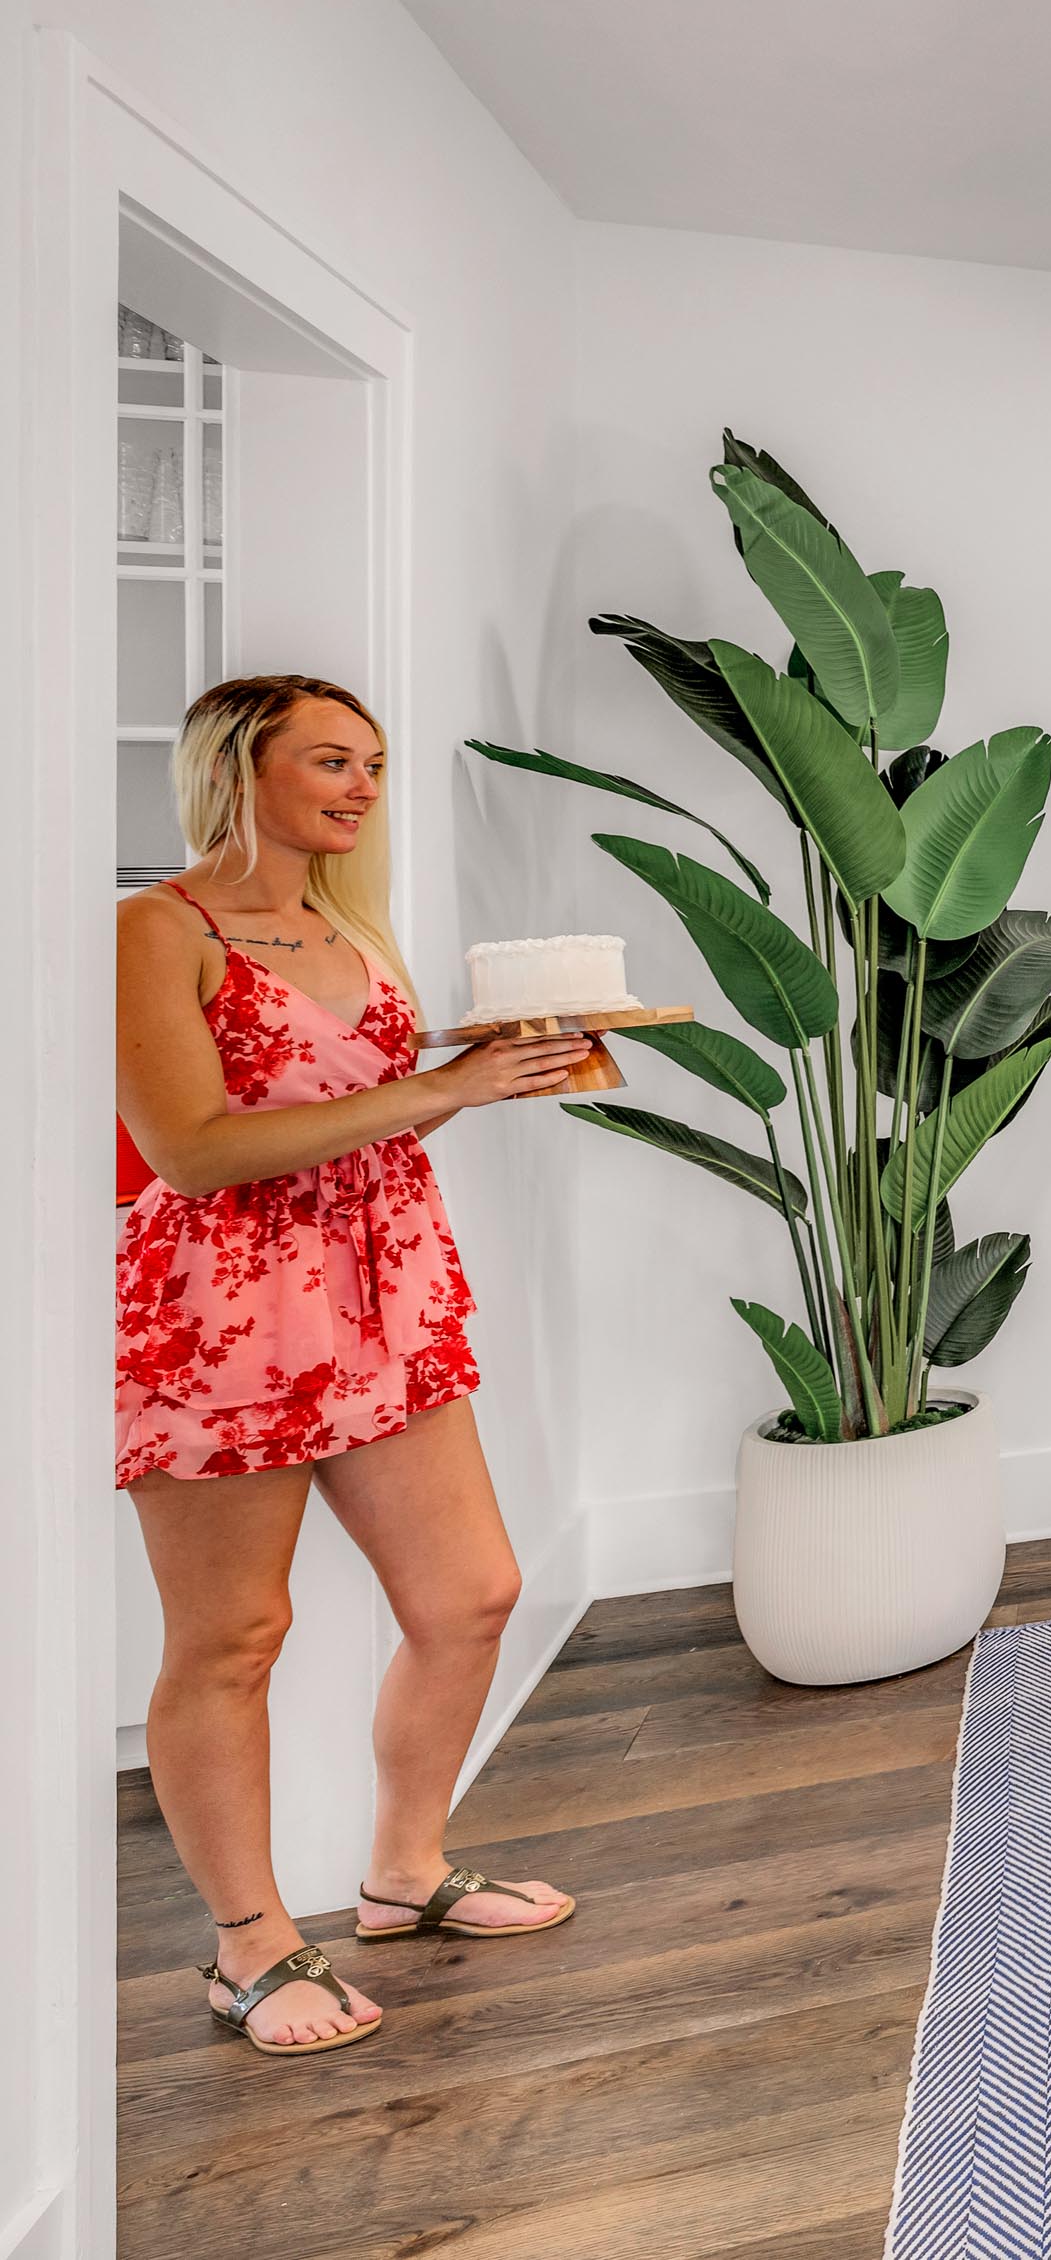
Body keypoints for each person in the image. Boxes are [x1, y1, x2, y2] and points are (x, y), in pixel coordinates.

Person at [115, 675, 599, 2056]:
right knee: (233, 1637)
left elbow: (356, 1128)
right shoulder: (157, 927)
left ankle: (404, 1873)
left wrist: (492, 1071)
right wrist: (438, 1090)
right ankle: (248, 1946)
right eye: (332, 760)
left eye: (374, 764)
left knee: (471, 1594)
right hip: (219, 1314)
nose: (363, 786)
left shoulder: (344, 926)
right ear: (236, 768)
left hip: (378, 1296)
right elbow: (192, 1149)